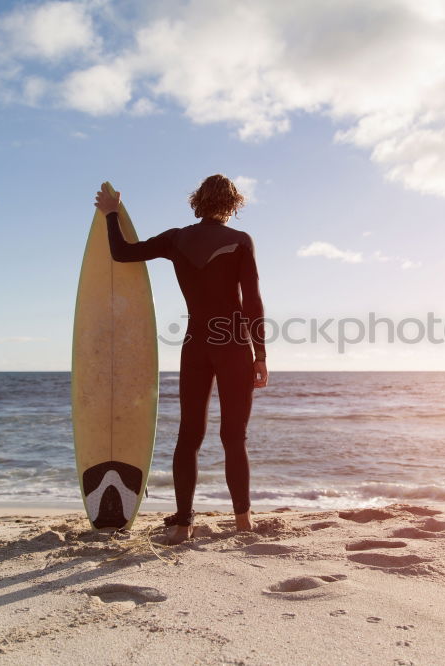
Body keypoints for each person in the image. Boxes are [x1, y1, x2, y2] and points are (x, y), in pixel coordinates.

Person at [94, 175, 268, 545]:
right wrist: (260, 354)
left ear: (197, 201)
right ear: (233, 204)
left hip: (196, 343)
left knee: (189, 435)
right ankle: (243, 523)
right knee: (233, 436)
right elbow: (251, 301)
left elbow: (122, 252)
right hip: (233, 341)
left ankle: (184, 523)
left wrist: (111, 214)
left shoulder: (176, 238)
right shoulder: (239, 241)